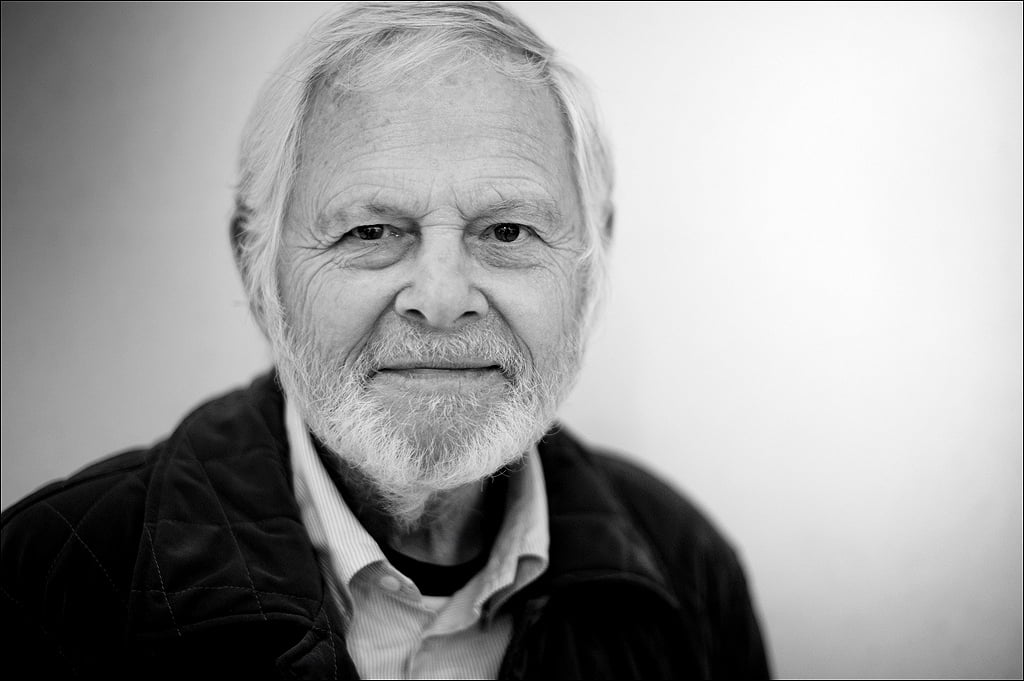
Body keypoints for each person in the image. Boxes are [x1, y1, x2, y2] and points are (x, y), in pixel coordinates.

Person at [1, 2, 770, 678]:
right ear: (256, 269)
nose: (440, 300)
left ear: (591, 264)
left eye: (507, 230)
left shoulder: (686, 569)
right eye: (371, 231)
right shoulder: (47, 577)